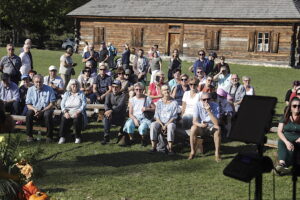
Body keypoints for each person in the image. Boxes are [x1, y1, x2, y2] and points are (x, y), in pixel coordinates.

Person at [188, 92, 221, 162]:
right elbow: (194, 121)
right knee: (193, 128)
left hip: (211, 126)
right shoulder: (197, 105)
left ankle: (217, 153)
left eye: (208, 99)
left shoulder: (215, 105)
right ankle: (192, 151)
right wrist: (201, 125)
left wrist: (209, 111)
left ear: (211, 99)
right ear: (201, 100)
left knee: (218, 129)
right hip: (201, 126)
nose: (206, 101)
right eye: (204, 99)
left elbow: (216, 123)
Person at [25, 74, 56, 142]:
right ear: (33, 82)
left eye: (40, 82)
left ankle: (49, 136)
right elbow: (28, 104)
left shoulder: (49, 89)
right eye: (37, 82)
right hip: (35, 109)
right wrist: (35, 110)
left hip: (46, 109)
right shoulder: (30, 90)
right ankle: (29, 136)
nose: (39, 83)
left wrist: (42, 110)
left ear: (43, 82)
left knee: (47, 114)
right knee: (29, 113)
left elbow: (52, 103)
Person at [149, 85, 178, 154]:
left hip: (170, 122)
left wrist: (166, 125)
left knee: (170, 126)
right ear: (161, 92)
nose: (166, 91)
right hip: (160, 122)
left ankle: (170, 148)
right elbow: (156, 115)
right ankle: (153, 147)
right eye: (164, 90)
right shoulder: (159, 102)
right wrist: (162, 125)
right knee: (153, 125)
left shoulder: (174, 102)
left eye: (168, 89)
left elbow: (174, 116)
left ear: (170, 90)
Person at [275, 97, 300, 175]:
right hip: (286, 139)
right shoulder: (285, 117)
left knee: (293, 151)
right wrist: (286, 142)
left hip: (298, 139)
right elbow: (279, 131)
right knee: (281, 141)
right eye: (294, 106)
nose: (297, 107)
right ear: (290, 107)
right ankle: (282, 164)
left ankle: (283, 166)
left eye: (299, 106)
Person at [58, 79, 87, 144]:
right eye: (73, 84)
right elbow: (62, 104)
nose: (75, 86)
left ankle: (77, 137)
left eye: (76, 84)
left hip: (78, 111)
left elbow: (84, 104)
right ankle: (62, 137)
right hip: (67, 111)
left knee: (77, 119)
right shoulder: (66, 93)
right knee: (63, 118)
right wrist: (65, 112)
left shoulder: (81, 94)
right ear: (70, 86)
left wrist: (78, 111)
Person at [102, 80, 128, 145]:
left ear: (120, 88)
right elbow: (106, 104)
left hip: (120, 116)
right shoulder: (109, 95)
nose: (114, 88)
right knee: (106, 117)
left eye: (116, 87)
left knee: (106, 117)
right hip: (111, 115)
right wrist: (108, 110)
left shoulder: (123, 95)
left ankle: (107, 137)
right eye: (113, 87)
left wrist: (111, 111)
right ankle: (106, 136)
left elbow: (120, 106)